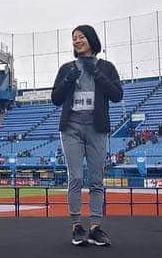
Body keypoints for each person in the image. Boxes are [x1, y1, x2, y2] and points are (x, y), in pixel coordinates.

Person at [51, 25, 123, 246]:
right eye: (74, 38)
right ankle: (76, 225)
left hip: (97, 128)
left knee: (96, 180)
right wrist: (68, 80)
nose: (77, 40)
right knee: (75, 177)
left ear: (92, 40)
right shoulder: (66, 68)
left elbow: (117, 95)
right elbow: (56, 98)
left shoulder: (107, 67)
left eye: (81, 36)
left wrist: (97, 74)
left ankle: (95, 227)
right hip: (71, 127)